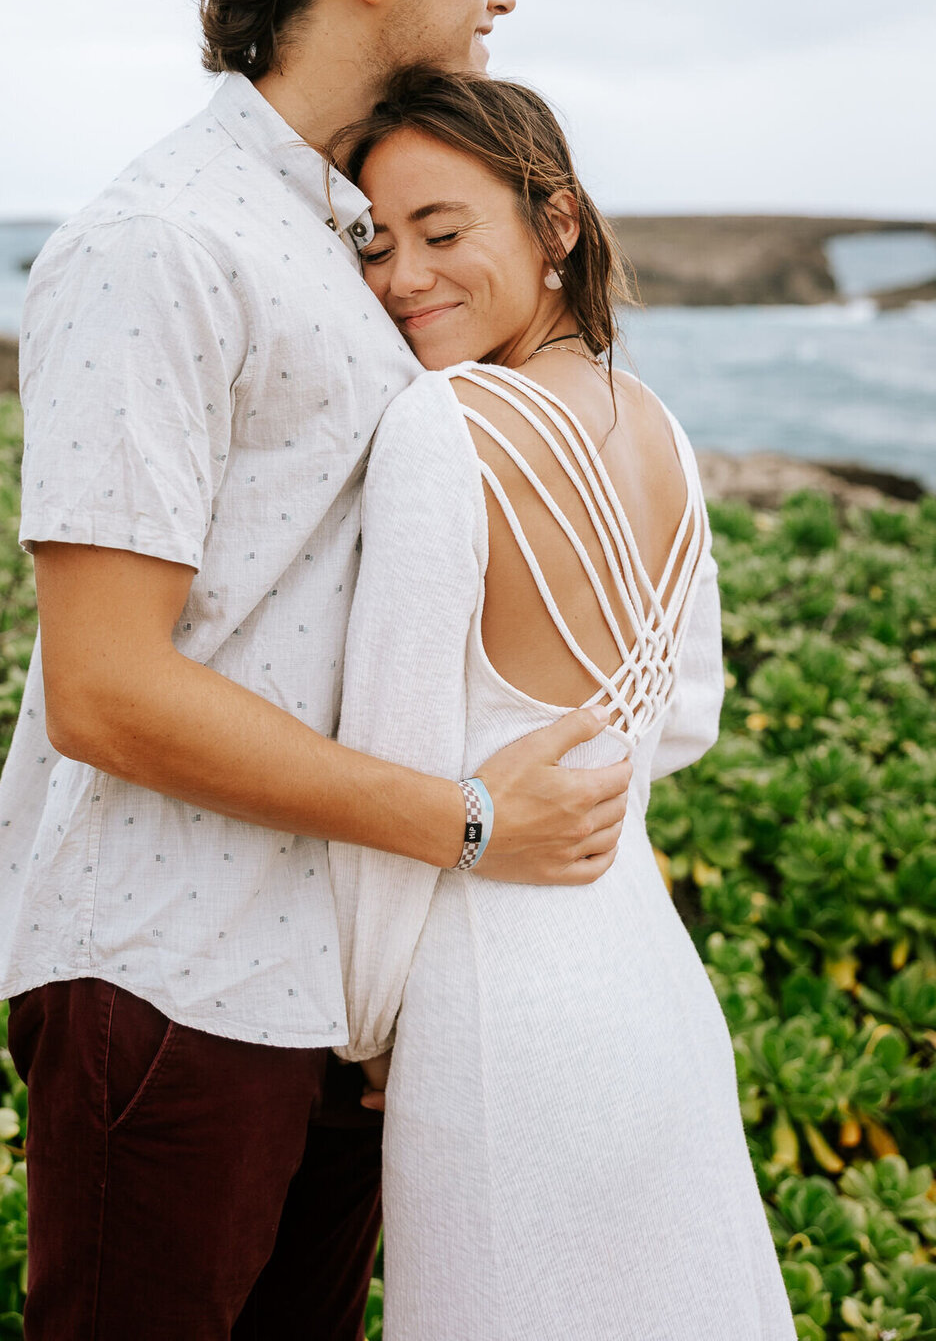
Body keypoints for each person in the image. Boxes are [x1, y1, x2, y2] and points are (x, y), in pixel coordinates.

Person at [0, 0, 635, 1341]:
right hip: (166, 982)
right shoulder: (158, 244)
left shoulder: (360, 247)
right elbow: (103, 695)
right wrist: (464, 824)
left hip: (331, 997)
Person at [328, 67, 795, 1339]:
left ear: (557, 225)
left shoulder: (445, 423)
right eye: (375, 242)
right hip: (646, 981)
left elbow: (394, 754)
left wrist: (368, 1029)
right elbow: (684, 716)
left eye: (442, 231)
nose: (401, 276)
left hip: (497, 1018)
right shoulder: (662, 429)